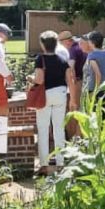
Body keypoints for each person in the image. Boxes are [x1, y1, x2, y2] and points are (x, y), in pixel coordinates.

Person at [33, 31, 75, 173]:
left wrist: (30, 79)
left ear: (42, 45)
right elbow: (70, 80)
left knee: (43, 129)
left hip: (45, 95)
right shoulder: (63, 60)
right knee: (59, 129)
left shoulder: (40, 59)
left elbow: (39, 80)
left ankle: (44, 164)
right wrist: (73, 99)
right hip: (61, 94)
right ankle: (60, 163)